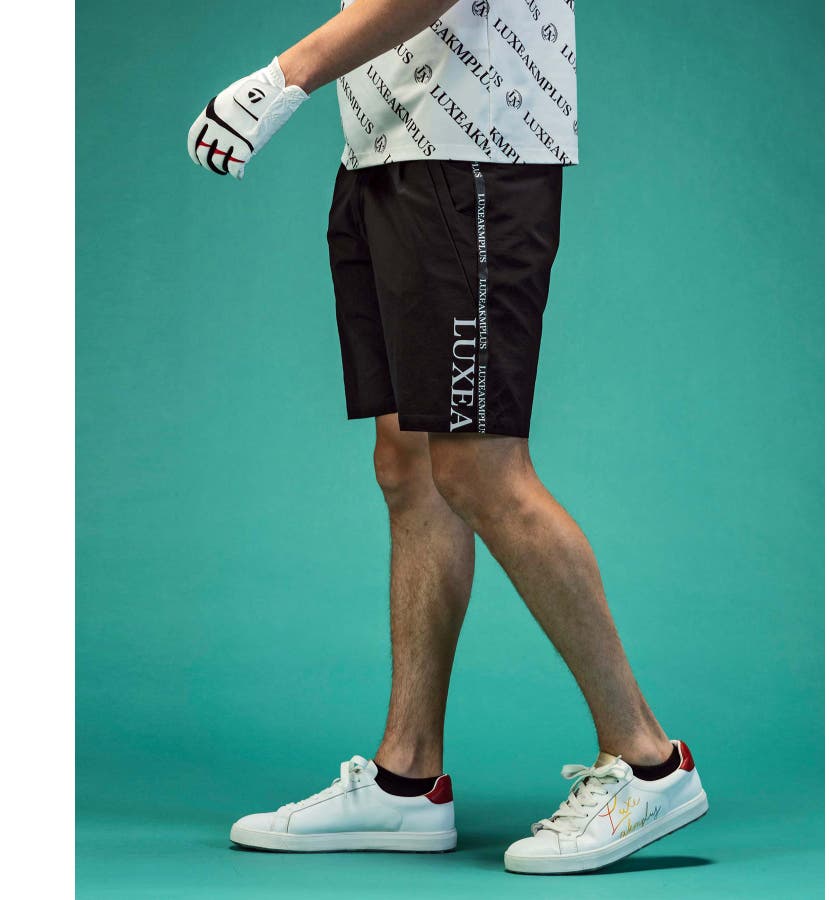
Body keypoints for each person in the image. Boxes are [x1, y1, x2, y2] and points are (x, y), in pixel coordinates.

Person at [187, 0, 707, 875]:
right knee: (410, 465)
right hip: (382, 147)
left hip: (477, 148)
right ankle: (406, 782)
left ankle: (650, 762)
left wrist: (284, 79)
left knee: (479, 468)